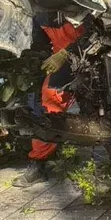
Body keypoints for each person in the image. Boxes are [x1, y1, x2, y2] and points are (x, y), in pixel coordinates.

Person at [15, 18, 84, 187]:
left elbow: (97, 30)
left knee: (52, 94)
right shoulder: (41, 8)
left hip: (89, 52)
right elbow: (39, 40)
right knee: (36, 99)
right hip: (59, 57)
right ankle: (39, 161)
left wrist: (65, 53)